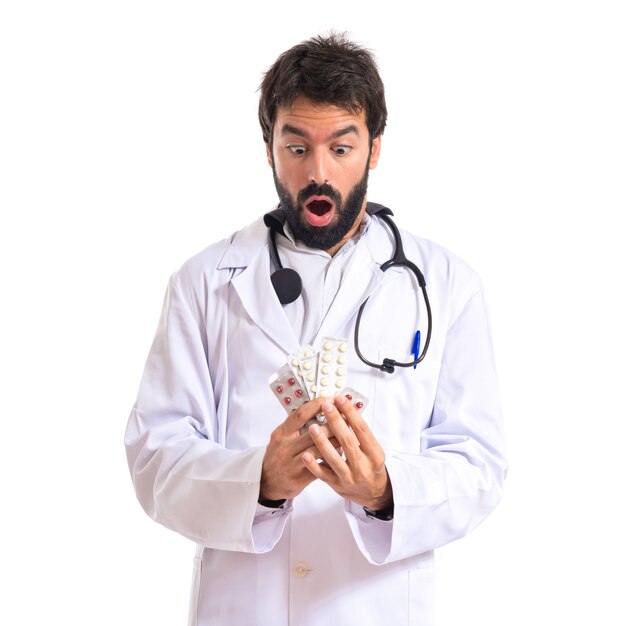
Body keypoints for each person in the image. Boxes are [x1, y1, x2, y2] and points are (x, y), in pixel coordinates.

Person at [125, 32, 507, 626]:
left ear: (375, 148)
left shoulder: (447, 285)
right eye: (296, 147)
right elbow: (154, 457)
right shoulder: (204, 282)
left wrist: (385, 490)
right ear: (270, 147)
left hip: (374, 607)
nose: (318, 173)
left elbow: (479, 463)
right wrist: (259, 482)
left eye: (342, 147)